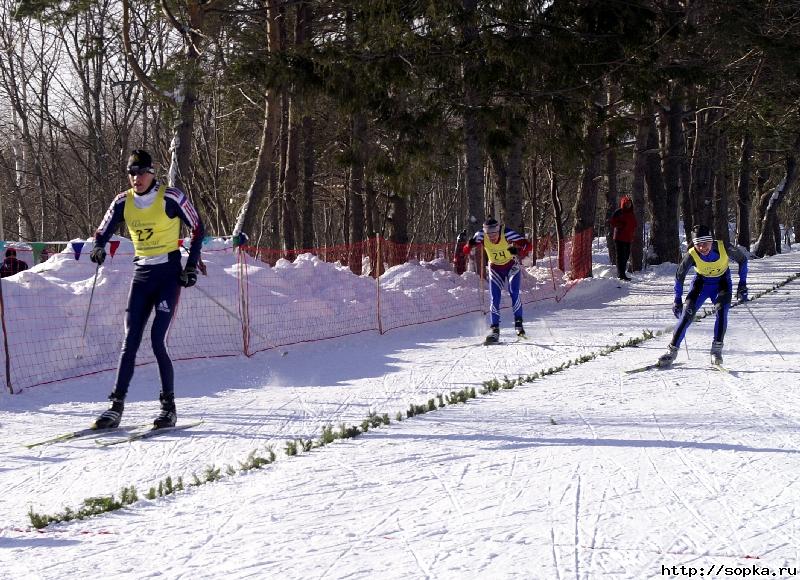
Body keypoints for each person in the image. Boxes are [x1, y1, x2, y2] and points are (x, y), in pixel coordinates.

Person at [90, 149, 205, 429]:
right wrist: (98, 247)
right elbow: (102, 230)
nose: (136, 178)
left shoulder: (171, 197)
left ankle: (169, 408)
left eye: (141, 172)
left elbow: (198, 228)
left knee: (157, 341)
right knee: (129, 341)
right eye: (131, 172)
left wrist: (190, 266)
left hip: (167, 275)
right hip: (141, 275)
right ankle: (116, 407)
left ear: (152, 173)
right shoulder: (122, 201)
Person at [658, 224, 748, 367]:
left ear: (711, 241)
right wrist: (677, 300)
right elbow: (679, 276)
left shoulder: (724, 247)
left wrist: (742, 284)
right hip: (701, 284)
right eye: (698, 245)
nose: (702, 248)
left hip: (722, 284)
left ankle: (716, 351)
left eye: (705, 244)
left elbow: (743, 260)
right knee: (686, 314)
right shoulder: (692, 254)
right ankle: (671, 352)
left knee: (721, 311)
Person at [463, 217, 531, 343]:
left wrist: (518, 251)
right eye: (489, 234)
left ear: (499, 230)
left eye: (494, 233)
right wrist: (470, 244)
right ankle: (495, 331)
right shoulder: (481, 235)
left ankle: (518, 325)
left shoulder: (507, 233)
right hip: (495, 269)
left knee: (514, 292)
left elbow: (528, 245)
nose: (492, 237)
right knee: (495, 298)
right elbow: (465, 250)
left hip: (512, 266)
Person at [609, 195, 636, 281]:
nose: (629, 205)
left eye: (630, 203)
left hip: (628, 238)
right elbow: (612, 221)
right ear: (624, 203)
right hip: (619, 237)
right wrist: (620, 225)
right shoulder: (619, 212)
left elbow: (634, 223)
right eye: (627, 203)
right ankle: (621, 274)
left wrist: (632, 232)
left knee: (626, 256)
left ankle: (622, 273)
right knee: (620, 256)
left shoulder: (631, 213)